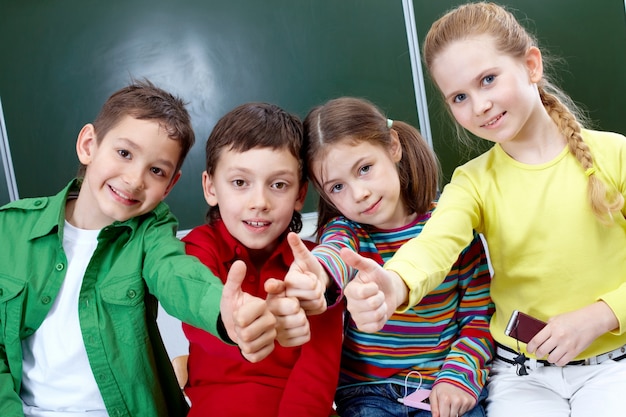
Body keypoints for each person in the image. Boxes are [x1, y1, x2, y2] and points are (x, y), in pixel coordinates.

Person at [338, 3, 626, 417]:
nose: (479, 106)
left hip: (613, 366)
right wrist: (395, 283)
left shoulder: (615, 154)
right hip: (524, 375)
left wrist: (601, 316)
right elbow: (434, 245)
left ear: (531, 64)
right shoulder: (473, 181)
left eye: (488, 79)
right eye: (459, 96)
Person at [0, 80, 277, 417]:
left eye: (156, 171)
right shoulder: (10, 229)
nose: (134, 179)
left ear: (170, 185)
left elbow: (175, 273)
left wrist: (223, 310)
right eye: (124, 153)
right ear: (89, 145)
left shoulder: (151, 230)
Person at [284, 96, 494, 417]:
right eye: (337, 187)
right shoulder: (346, 232)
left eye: (365, 169)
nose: (359, 193)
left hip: (441, 386)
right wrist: (317, 275)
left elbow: (477, 319)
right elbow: (333, 257)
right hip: (367, 392)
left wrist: (457, 378)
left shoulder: (450, 227)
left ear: (392, 146)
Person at [180, 102, 344, 417]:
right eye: (240, 182)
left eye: (278, 185)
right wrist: (240, 323)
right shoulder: (197, 249)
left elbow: (318, 372)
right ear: (210, 187)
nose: (259, 202)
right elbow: (202, 318)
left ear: (300, 195)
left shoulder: (317, 264)